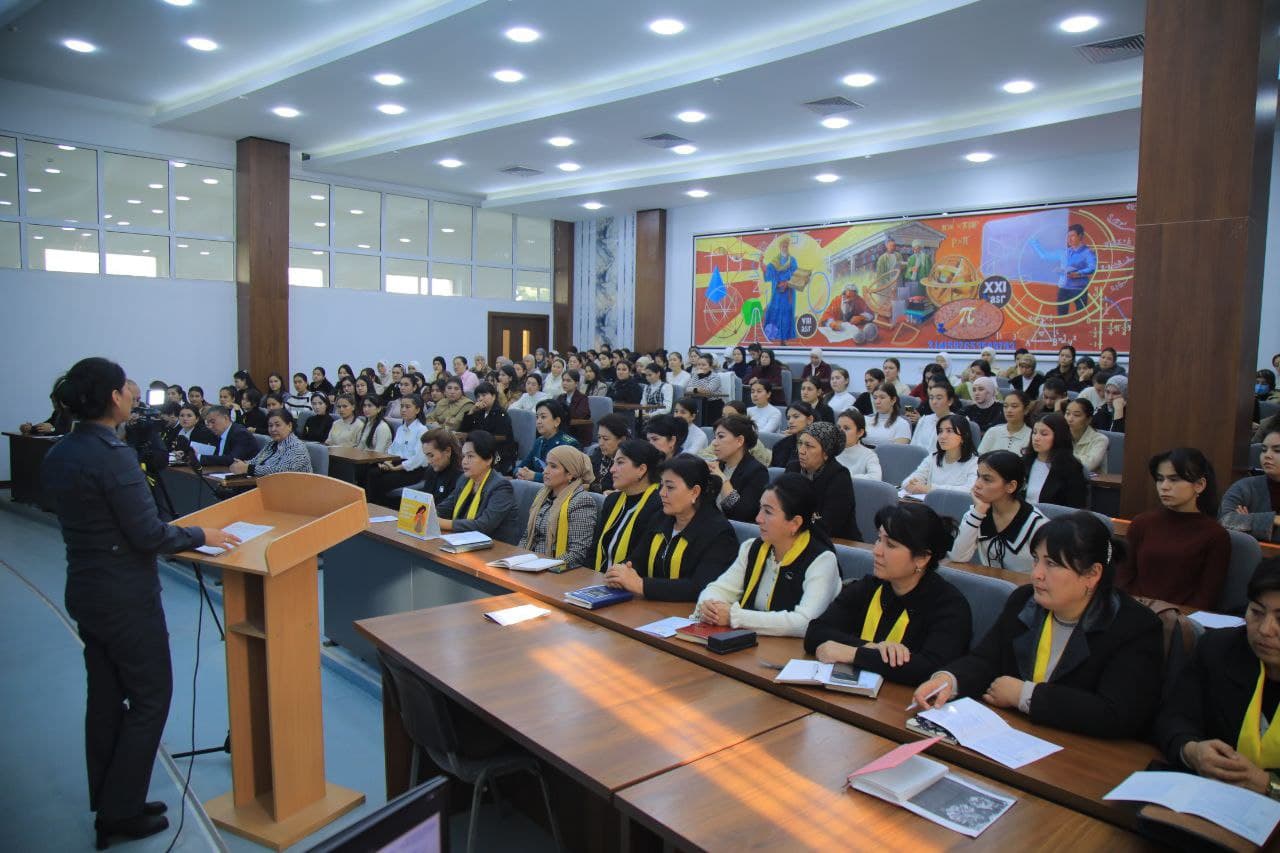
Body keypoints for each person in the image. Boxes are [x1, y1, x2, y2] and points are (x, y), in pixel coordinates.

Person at [41, 358, 240, 847]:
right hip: (124, 597)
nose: (134, 393)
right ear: (113, 397)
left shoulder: (63, 451)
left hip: (86, 588)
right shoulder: (112, 455)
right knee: (151, 698)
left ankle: (111, 799)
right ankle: (121, 813)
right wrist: (201, 532)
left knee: (106, 698)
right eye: (127, 386)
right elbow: (148, 533)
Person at [912, 513, 1163, 739]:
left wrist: (1025, 695)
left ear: (1092, 574)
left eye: (1051, 564)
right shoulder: (1025, 602)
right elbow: (986, 659)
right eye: (1036, 560)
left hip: (1082, 754)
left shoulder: (1135, 627)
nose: (1037, 574)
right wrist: (948, 680)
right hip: (1014, 736)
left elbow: (1116, 714)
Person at [1154, 558, 1280, 797]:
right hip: (1214, 800)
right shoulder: (1219, 649)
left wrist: (1269, 786)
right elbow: (1174, 716)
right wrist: (1192, 750)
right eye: (1256, 612)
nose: (1265, 629)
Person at [806, 503, 971, 685]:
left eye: (890, 545)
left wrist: (853, 653)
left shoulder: (950, 606)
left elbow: (931, 669)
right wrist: (872, 648)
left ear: (922, 558)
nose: (876, 551)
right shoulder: (869, 586)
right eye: (878, 539)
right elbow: (816, 632)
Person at [694, 473, 842, 636]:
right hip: (752, 644)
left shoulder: (822, 561)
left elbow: (804, 622)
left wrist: (734, 616)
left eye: (768, 512)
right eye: (760, 509)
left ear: (795, 523)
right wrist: (709, 606)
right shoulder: (752, 548)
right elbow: (718, 589)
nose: (758, 518)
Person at [602, 453, 738, 601]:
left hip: (688, 615)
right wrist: (620, 573)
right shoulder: (661, 518)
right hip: (651, 608)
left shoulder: (719, 533)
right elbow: (638, 559)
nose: (661, 493)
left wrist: (641, 585)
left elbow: (699, 587)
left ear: (695, 491)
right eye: (661, 485)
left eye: (670, 487)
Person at [1117, 448, 1229, 609]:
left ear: (1199, 485)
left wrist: (1171, 616)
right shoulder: (1142, 523)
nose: (1164, 486)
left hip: (1180, 621)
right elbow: (1123, 578)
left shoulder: (1215, 535)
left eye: (1174, 479)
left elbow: (1206, 597)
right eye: (1160, 479)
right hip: (1134, 612)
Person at [949, 450, 1049, 573]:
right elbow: (957, 557)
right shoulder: (976, 514)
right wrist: (978, 512)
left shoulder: (1038, 525)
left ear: (1011, 486)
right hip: (991, 587)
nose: (977, 485)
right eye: (978, 476)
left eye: (987, 479)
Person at [590, 440, 665, 571]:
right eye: (613, 463)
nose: (612, 469)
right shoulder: (612, 500)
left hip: (630, 583)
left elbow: (641, 559)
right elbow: (594, 548)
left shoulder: (659, 505)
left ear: (641, 469)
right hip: (597, 581)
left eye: (620, 462)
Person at [436, 430, 520, 543]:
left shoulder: (501, 487)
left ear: (488, 459)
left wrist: (443, 523)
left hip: (496, 548)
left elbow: (483, 526)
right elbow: (445, 508)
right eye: (463, 456)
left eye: (470, 456)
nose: (464, 461)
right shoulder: (464, 480)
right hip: (465, 541)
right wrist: (429, 514)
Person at [520, 445, 596, 569]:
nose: (545, 471)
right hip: (529, 563)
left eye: (553, 466)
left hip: (554, 570)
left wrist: (543, 566)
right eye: (546, 465)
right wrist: (517, 559)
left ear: (570, 474)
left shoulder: (581, 501)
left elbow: (577, 554)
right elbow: (527, 536)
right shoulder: (542, 495)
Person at [789, 421, 860, 541]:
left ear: (826, 453)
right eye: (800, 443)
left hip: (837, 543)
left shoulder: (839, 477)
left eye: (809, 446)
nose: (801, 450)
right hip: (795, 535)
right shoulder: (793, 468)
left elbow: (828, 525)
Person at [365, 394, 430, 506]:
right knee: (371, 472)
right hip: (396, 463)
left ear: (418, 409)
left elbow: (417, 460)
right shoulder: (401, 428)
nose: (403, 410)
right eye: (402, 406)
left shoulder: (422, 430)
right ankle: (370, 506)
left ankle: (381, 508)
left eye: (407, 407)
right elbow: (392, 450)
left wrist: (395, 468)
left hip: (413, 470)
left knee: (383, 480)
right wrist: (387, 462)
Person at [707, 415, 771, 523]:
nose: (714, 443)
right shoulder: (718, 465)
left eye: (721, 437)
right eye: (715, 437)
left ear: (739, 441)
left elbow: (742, 514)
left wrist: (722, 479)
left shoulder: (757, 472)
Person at [1221, 427, 1280, 543]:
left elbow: (1236, 524)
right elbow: (1224, 521)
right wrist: (1273, 519)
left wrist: (1247, 521)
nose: (1267, 455)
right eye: (1263, 450)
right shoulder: (1245, 487)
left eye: (1277, 450)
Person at [902, 413, 979, 495]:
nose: (942, 436)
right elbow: (907, 482)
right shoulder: (933, 458)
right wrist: (911, 484)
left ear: (964, 436)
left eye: (949, 431)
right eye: (940, 431)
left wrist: (929, 489)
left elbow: (970, 490)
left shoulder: (975, 463)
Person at [1030, 223, 1096, 316]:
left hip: (1079, 290)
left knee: (1081, 318)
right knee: (1061, 317)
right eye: (1068, 236)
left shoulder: (1088, 252)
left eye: (1072, 236)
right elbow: (1044, 256)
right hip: (1064, 289)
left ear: (1080, 236)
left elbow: (1092, 267)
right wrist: (1033, 241)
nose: (1069, 239)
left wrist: (1079, 273)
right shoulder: (1064, 252)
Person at [1023, 413, 1089, 508]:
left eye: (1044, 434)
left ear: (1058, 436)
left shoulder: (1071, 468)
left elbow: (1075, 508)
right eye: (1034, 432)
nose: (1036, 438)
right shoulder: (1024, 462)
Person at [230, 409, 312, 475]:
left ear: (289, 426)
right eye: (270, 425)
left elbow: (281, 472)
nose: (273, 429)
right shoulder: (271, 444)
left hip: (294, 492)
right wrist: (241, 464)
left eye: (277, 425)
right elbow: (256, 461)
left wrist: (247, 468)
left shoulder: (297, 447)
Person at [516, 399, 580, 482]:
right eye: (537, 417)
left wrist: (535, 476)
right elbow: (520, 466)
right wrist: (520, 473)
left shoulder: (569, 444)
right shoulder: (539, 441)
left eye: (543, 417)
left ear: (557, 421)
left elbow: (566, 478)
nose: (538, 421)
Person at [458, 382, 516, 473]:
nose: (480, 399)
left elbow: (501, 437)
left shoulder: (501, 414)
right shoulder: (478, 412)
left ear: (493, 396)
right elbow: (462, 430)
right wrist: (471, 412)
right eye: (478, 396)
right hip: (478, 448)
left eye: (484, 395)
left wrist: (477, 439)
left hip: (498, 452)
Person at [761, 237, 800, 343]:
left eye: (786, 246)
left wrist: (787, 282)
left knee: (787, 313)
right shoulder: (774, 261)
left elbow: (796, 274)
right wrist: (763, 267)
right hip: (777, 292)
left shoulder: (792, 261)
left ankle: (785, 338)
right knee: (775, 312)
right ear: (780, 247)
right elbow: (768, 275)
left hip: (788, 293)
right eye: (783, 246)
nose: (785, 248)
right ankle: (773, 335)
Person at [910, 382, 959, 452]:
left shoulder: (957, 423)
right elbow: (913, 446)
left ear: (950, 401)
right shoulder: (924, 420)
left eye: (939, 398)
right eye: (931, 398)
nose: (934, 402)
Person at [835, 408, 882, 481]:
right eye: (838, 427)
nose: (840, 432)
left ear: (860, 432)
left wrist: (844, 477)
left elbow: (876, 478)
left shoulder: (869, 455)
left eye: (846, 428)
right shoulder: (830, 451)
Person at [1064, 398, 1108, 473]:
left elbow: (1088, 466)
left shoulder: (1100, 439)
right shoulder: (1061, 435)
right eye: (1067, 413)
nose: (1070, 419)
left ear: (1088, 420)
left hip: (1091, 483)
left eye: (1076, 415)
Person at [589, 413, 630, 493]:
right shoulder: (598, 453)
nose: (601, 443)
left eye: (605, 439)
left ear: (622, 439)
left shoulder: (629, 460)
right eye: (599, 437)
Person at [771, 401, 815, 469]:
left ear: (809, 419)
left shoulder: (818, 446)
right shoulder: (779, 446)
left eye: (796, 417)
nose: (790, 421)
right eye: (788, 418)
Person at [555, 369, 593, 445]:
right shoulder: (561, 397)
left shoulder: (583, 398)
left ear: (576, 383)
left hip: (577, 433)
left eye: (568, 381)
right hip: (563, 431)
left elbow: (579, 415)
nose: (564, 383)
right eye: (563, 380)